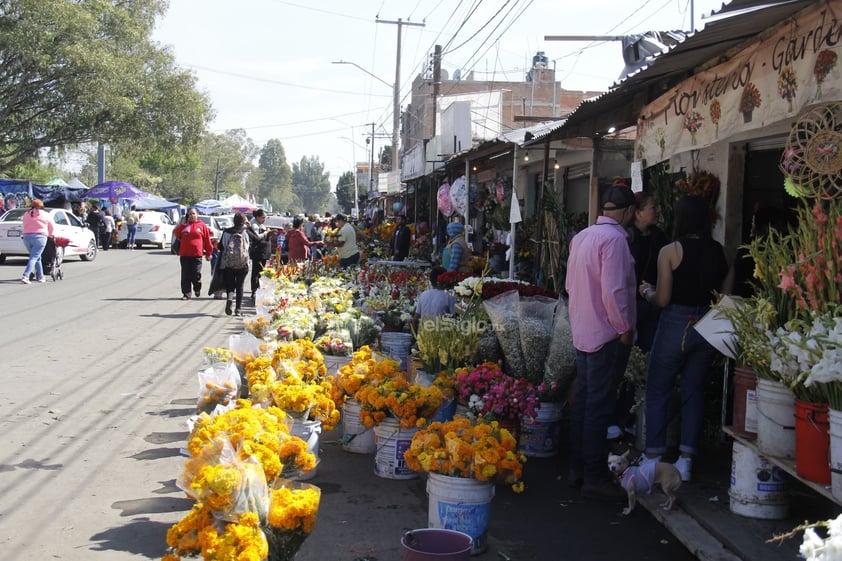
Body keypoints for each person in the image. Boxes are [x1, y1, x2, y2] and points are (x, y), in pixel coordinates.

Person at [639, 195, 729, 482]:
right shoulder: (721, 252)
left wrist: (646, 292)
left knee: (658, 388)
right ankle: (686, 459)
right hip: (707, 324)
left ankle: (653, 455)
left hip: (676, 322)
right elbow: (724, 299)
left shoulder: (671, 250)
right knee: (694, 390)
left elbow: (663, 299)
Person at [565, 184, 637, 501]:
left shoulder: (582, 237)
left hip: (583, 331)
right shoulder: (616, 239)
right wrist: (624, 327)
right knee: (597, 407)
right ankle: (593, 475)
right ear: (628, 212)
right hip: (605, 334)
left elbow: (569, 284)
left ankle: (577, 470)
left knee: (584, 404)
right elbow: (614, 292)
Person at [173, 207, 213, 300]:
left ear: (197, 215)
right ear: (187, 215)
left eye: (193, 214)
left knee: (196, 274)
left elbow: (207, 240)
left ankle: (197, 288)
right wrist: (182, 225)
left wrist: (208, 253)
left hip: (197, 255)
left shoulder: (202, 226)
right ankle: (186, 294)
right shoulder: (184, 226)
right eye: (190, 214)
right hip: (185, 254)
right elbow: (176, 233)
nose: (192, 215)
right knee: (185, 275)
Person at [218, 212, 251, 316]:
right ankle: (238, 309)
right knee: (240, 285)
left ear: (233, 220)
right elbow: (249, 245)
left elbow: (221, 246)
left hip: (229, 263)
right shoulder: (245, 232)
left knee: (230, 284)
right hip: (243, 263)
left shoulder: (227, 232)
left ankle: (229, 299)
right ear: (243, 221)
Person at [20, 199, 54, 284]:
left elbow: (24, 224)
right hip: (40, 237)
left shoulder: (26, 214)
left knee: (37, 257)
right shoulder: (46, 214)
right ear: (42, 206)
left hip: (27, 237)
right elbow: (51, 227)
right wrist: (50, 235)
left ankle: (41, 276)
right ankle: (26, 275)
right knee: (34, 257)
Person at [248, 209, 272, 300]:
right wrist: (266, 233)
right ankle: (254, 291)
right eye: (263, 217)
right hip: (257, 252)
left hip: (263, 252)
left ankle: (258, 289)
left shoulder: (260, 224)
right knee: (256, 272)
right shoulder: (254, 225)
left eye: (265, 218)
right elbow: (257, 237)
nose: (264, 219)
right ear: (257, 217)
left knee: (261, 272)